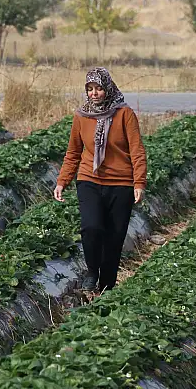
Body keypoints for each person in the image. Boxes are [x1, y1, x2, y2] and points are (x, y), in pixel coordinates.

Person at [54, 67, 147, 294]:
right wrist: (62, 181)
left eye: (98, 88)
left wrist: (139, 182)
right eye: (90, 89)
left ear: (108, 88)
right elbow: (73, 152)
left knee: (114, 238)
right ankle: (92, 270)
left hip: (121, 183)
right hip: (89, 179)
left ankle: (107, 288)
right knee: (91, 227)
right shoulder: (81, 116)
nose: (94, 93)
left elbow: (136, 150)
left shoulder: (124, 114)